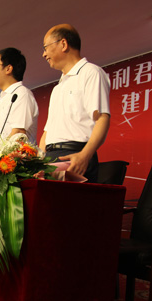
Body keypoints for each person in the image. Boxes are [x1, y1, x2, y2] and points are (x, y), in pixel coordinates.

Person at [39, 24, 111, 183]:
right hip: (51, 157)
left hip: (75, 155)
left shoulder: (91, 72)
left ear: (63, 44)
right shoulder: (58, 88)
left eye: (46, 47)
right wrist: (39, 161)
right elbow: (48, 131)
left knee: (72, 200)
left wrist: (85, 155)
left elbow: (102, 118)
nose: (44, 54)